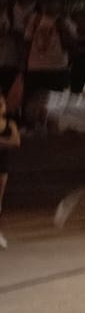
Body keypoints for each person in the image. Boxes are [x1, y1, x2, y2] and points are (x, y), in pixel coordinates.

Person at [0, 94, 18, 248]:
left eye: (2, 104)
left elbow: (16, 141)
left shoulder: (9, 124)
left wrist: (1, 141)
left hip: (2, 166)